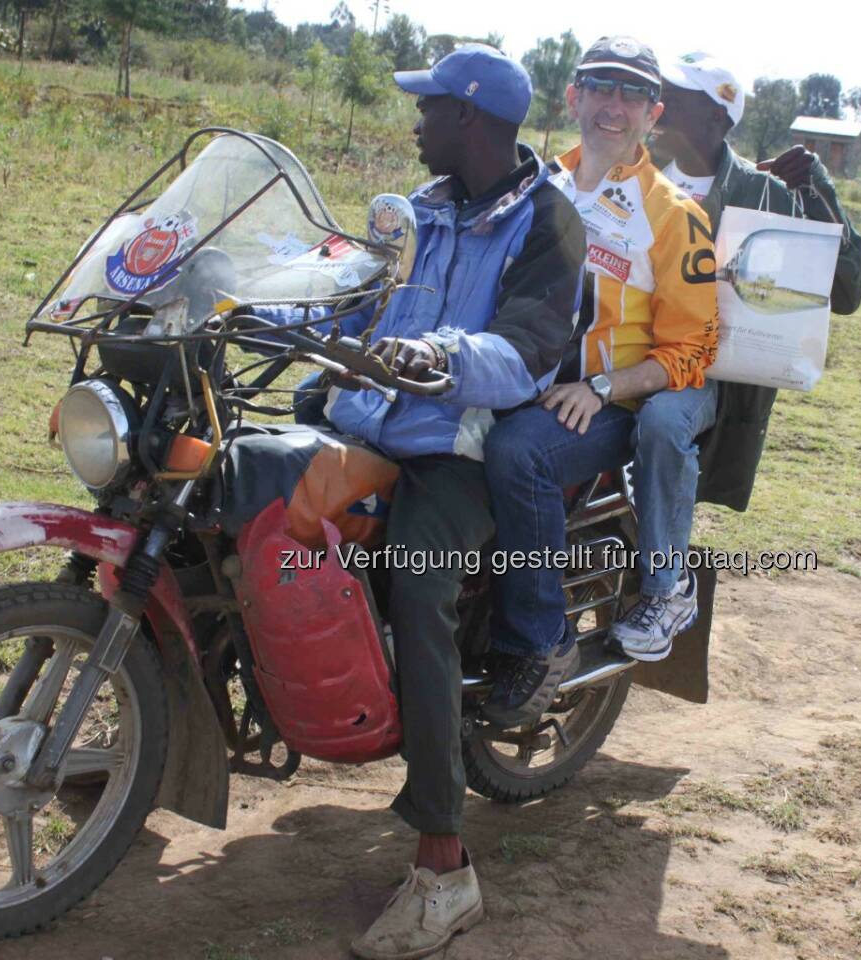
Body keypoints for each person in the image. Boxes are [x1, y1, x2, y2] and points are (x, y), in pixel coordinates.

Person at [259, 46, 585, 960]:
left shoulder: (549, 224)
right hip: (382, 420)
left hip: (463, 446)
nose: (415, 120)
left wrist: (442, 358)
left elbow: (528, 349)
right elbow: (364, 293)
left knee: (415, 581)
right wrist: (263, 301)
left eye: (428, 106)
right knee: (252, 497)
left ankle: (444, 864)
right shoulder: (428, 206)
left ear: (471, 118)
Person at [481, 36, 719, 726]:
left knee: (518, 454)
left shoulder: (673, 214)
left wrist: (604, 388)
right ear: (573, 96)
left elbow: (695, 346)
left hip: (605, 402)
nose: (615, 106)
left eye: (633, 94)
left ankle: (540, 641)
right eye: (602, 88)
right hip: (511, 379)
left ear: (654, 113)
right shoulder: (533, 185)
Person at [648, 50, 861, 513]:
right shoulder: (633, 172)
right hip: (619, 353)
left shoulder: (763, 195)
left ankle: (666, 577)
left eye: (673, 97)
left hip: (698, 378)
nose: (658, 105)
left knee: (663, 427)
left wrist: (817, 191)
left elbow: (846, 292)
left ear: (716, 115)